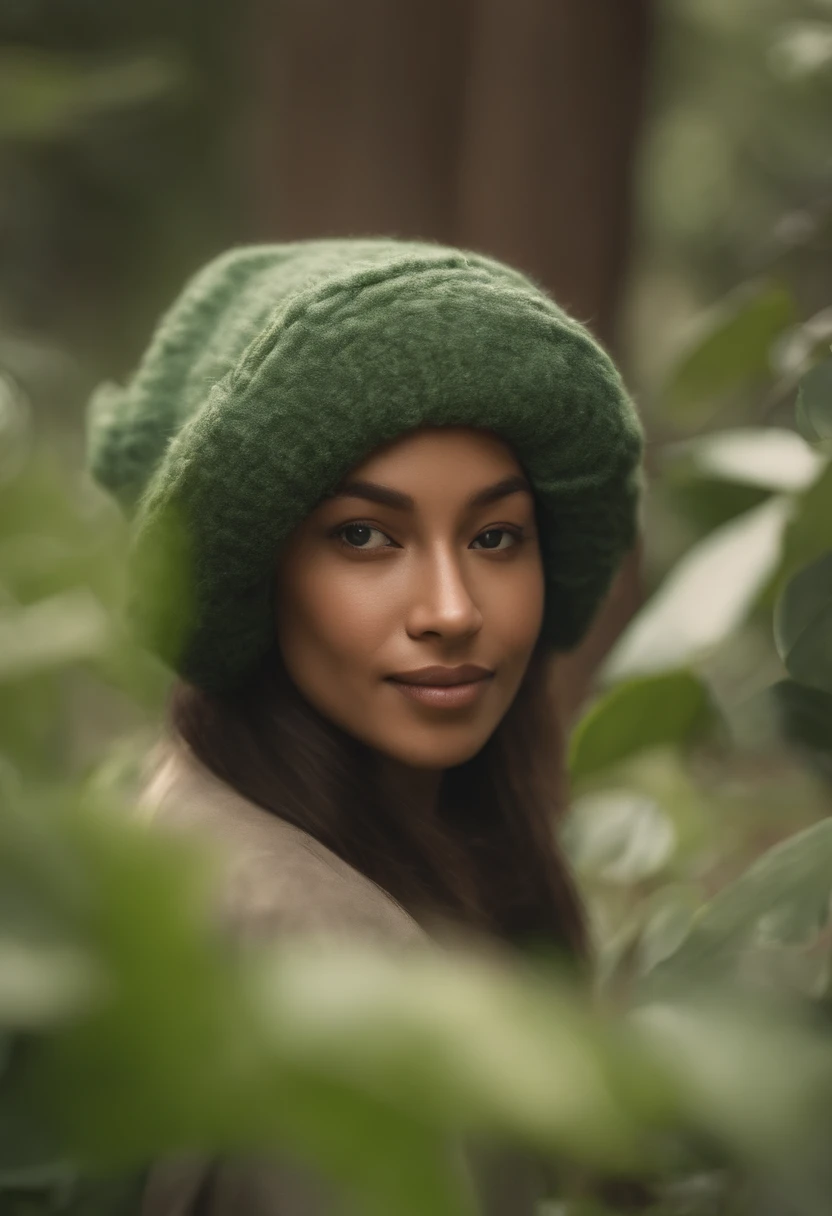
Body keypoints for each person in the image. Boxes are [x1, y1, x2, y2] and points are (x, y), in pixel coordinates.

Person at [86, 237, 643, 1215]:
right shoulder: (323, 952)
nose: (451, 607)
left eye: (494, 535)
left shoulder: (178, 817)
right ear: (253, 581)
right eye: (363, 536)